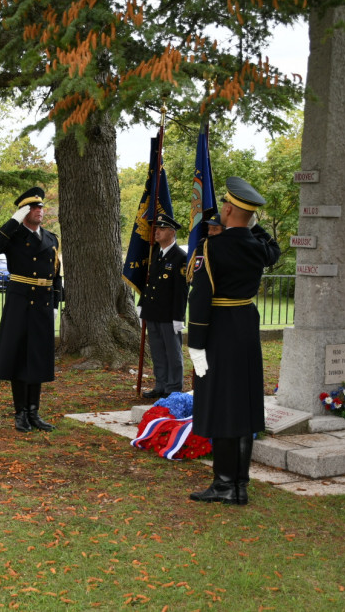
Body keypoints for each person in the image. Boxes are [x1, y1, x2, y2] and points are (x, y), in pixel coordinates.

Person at [186, 177, 280, 505]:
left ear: (226, 209)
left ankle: (224, 484)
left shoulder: (212, 247)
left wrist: (195, 343)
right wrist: (254, 226)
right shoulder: (258, 248)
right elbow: (273, 249)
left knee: (224, 405)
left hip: (221, 330)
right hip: (246, 327)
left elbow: (200, 299)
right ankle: (240, 485)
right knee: (244, 403)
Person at [0, 187, 63, 432]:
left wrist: (55, 302)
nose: (40, 211)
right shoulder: (14, 235)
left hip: (42, 302)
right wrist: (13, 221)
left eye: (41, 207)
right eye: (33, 208)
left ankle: (34, 412)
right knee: (19, 357)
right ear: (24, 212)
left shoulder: (51, 238)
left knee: (38, 358)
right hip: (20, 302)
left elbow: (56, 273)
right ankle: (20, 413)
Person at [137, 213, 188, 399]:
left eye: (161, 229)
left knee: (172, 353)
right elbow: (149, 283)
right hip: (153, 312)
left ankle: (174, 387)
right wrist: (142, 304)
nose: (156, 232)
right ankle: (161, 384)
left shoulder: (181, 257)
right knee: (158, 351)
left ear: (172, 232)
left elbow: (181, 291)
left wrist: (178, 317)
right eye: (156, 229)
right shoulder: (156, 254)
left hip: (169, 315)